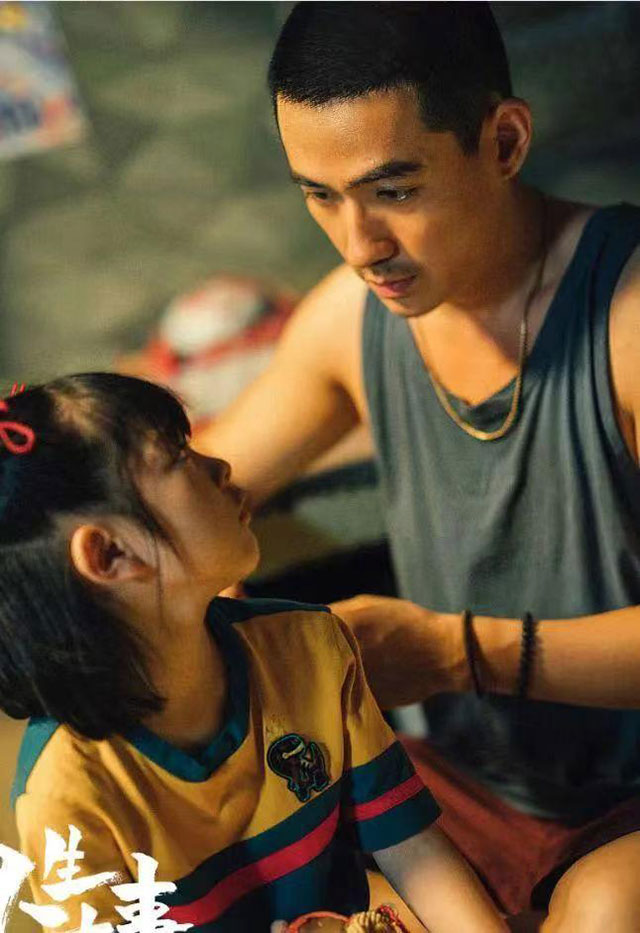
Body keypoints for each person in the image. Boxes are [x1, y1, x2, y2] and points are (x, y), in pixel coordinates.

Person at [193, 3, 640, 929]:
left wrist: (446, 650)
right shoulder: (346, 320)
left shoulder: (627, 321)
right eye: (320, 196)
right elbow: (184, 493)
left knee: (602, 909)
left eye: (393, 190)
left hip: (629, 798)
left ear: (504, 141)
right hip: (476, 781)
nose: (359, 245)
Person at [2, 373, 506, 933]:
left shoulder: (311, 646)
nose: (221, 467)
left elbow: (412, 848)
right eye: (179, 456)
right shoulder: (68, 793)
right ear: (111, 554)